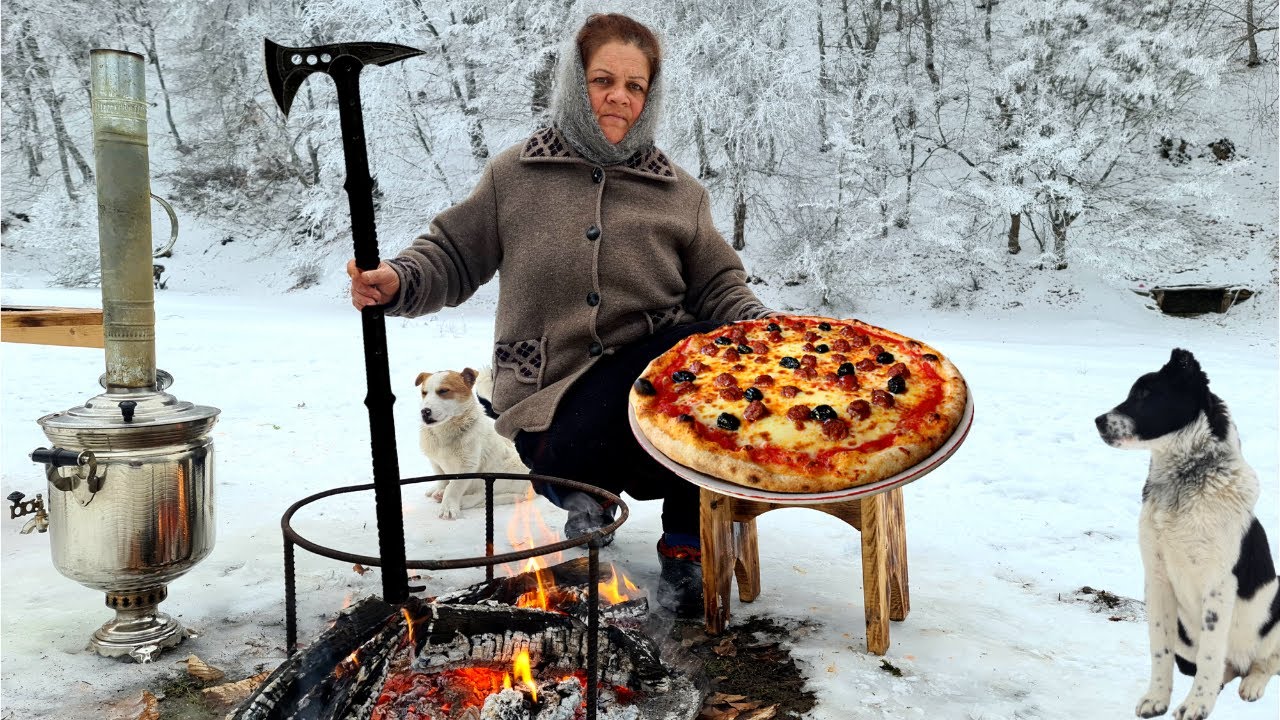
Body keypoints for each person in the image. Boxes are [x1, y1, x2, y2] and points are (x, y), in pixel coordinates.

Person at [349, 13, 775, 616]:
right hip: (553, 407)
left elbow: (721, 284)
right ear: (575, 84)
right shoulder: (515, 175)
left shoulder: (682, 195)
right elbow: (451, 252)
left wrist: (764, 333)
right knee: (664, 380)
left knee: (700, 367)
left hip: (658, 400)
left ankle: (687, 546)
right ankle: (584, 500)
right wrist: (400, 279)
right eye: (604, 80)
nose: (619, 97)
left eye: (635, 86)